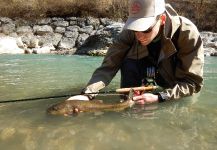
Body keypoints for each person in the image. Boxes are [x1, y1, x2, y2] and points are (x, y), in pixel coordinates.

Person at [68, 0, 204, 104]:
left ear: (161, 19)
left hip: (174, 81)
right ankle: (129, 102)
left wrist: (161, 97)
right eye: (135, 29)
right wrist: (87, 94)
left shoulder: (187, 33)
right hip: (148, 71)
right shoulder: (129, 33)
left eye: (145, 29)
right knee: (126, 60)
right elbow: (109, 65)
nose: (139, 35)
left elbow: (193, 83)